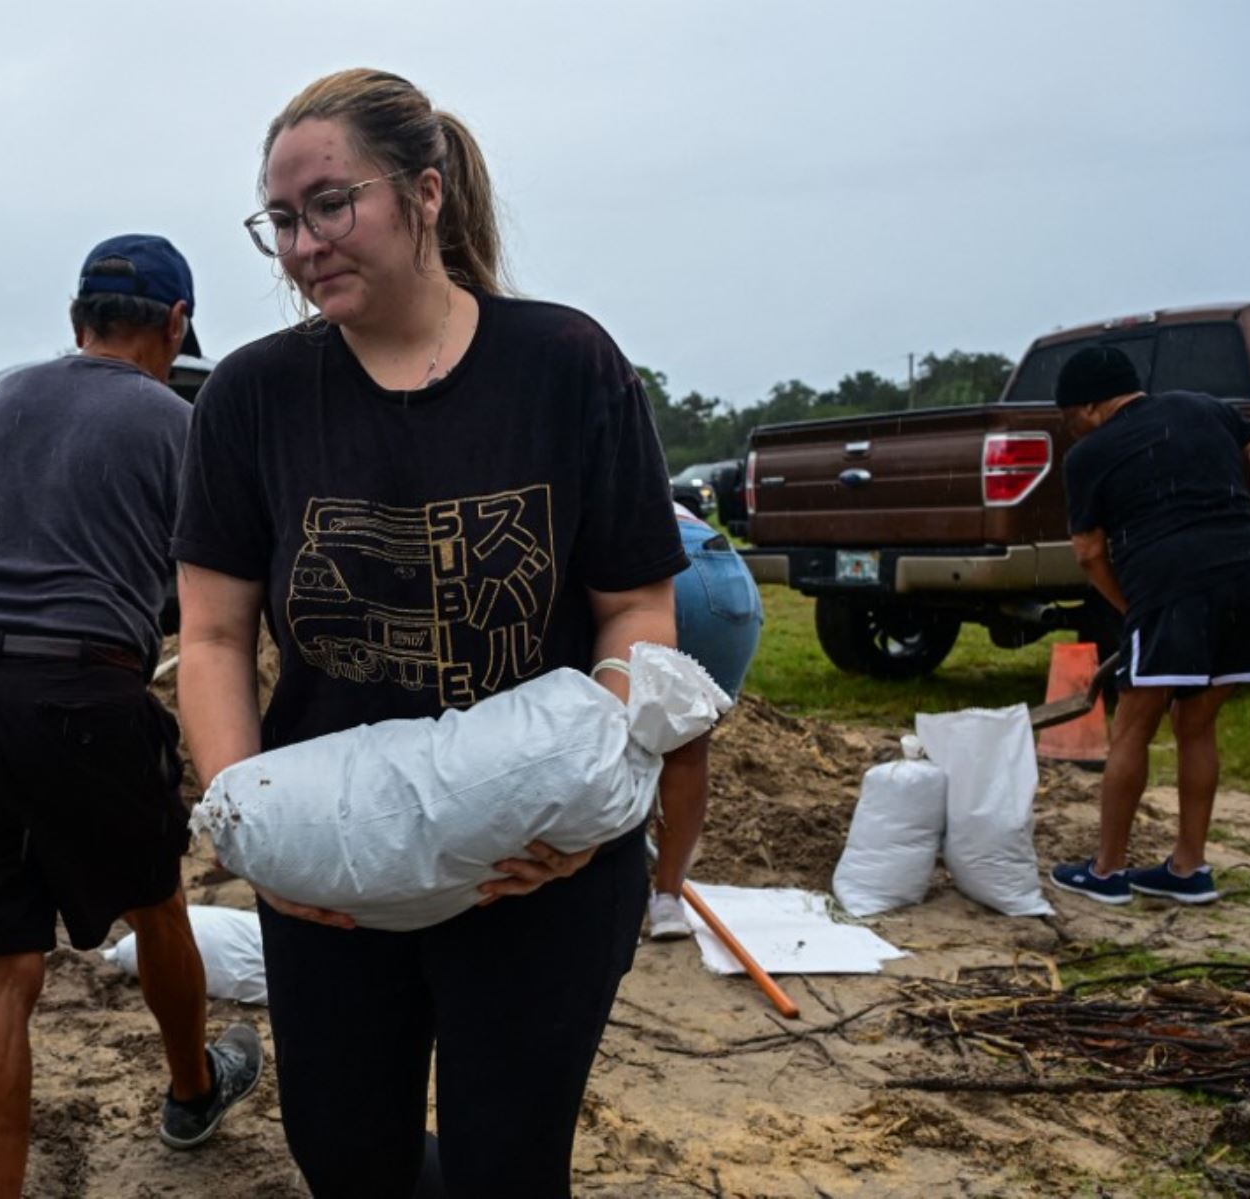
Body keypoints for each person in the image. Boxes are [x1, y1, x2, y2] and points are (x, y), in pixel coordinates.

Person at [172, 69, 694, 1195]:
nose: (304, 244)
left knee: (508, 1165)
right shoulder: (252, 397)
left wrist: (581, 804)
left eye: (330, 204)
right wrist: (249, 823)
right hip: (338, 869)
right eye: (281, 220)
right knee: (346, 1155)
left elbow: (635, 608)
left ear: (424, 193)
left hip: (535, 873)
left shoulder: (564, 364)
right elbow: (212, 637)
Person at [0, 234, 260, 1199]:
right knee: (156, 904)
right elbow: (209, 594)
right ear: (174, 325)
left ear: (76, 317)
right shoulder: (177, 423)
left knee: (3, 976)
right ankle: (190, 1089)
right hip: (87, 694)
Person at [1047, 345, 1250, 906]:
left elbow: (1089, 553)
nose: (1072, 432)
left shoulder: (1089, 454)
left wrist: (1129, 607)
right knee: (1196, 724)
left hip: (1171, 586)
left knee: (1134, 725)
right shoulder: (1203, 407)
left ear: (1090, 407)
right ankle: (1189, 869)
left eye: (1069, 420)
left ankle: (1107, 871)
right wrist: (1246, 532)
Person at [648, 501, 765, 939]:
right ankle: (666, 901)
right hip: (726, 574)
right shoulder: (647, 477)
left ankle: (601, 887)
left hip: (653, 567)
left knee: (610, 738)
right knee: (687, 752)